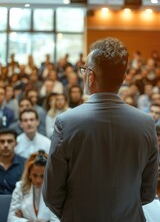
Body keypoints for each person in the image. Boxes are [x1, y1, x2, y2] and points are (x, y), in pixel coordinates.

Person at [43, 37, 159, 222]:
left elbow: (51, 194)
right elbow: (147, 192)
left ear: (91, 76)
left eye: (84, 70)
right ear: (124, 77)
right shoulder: (146, 123)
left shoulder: (66, 121)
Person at [7, 150, 60, 222]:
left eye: (42, 176)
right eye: (35, 175)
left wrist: (22, 217)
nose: (38, 180)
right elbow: (11, 218)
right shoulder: (20, 187)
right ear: (29, 174)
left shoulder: (54, 190)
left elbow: (57, 220)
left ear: (48, 175)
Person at [0, 129, 26, 194]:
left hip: (18, 202)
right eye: (2, 141)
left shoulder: (25, 164)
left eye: (9, 141)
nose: (5, 145)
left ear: (16, 143)